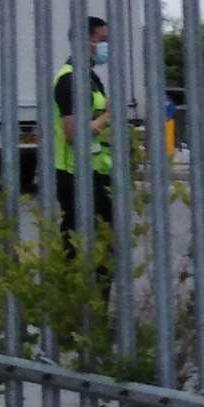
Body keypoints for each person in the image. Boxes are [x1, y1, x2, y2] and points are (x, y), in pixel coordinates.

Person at [53, 16, 114, 275]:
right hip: (76, 173)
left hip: (94, 171)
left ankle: (93, 304)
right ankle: (79, 306)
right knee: (81, 243)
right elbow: (72, 133)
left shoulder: (89, 77)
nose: (106, 47)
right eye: (102, 40)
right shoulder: (70, 80)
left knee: (103, 243)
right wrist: (108, 117)